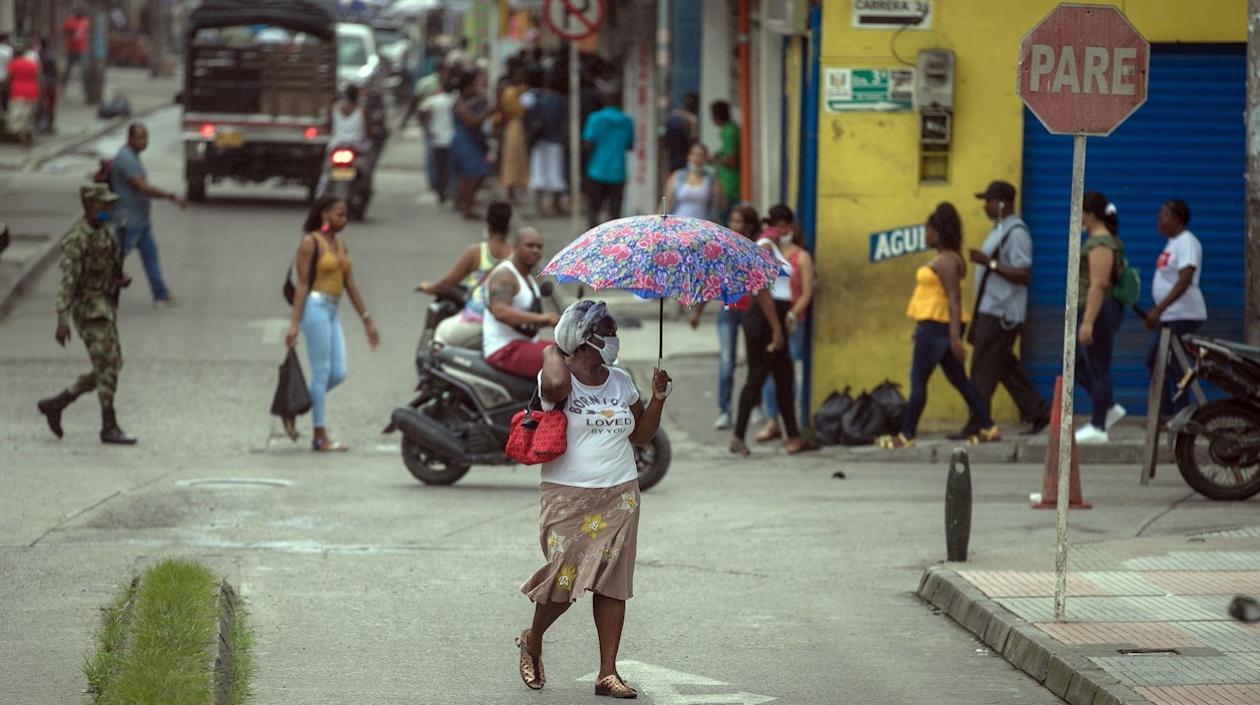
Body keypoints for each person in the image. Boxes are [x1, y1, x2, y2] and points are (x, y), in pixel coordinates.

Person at [517, 299, 671, 697]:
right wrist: (556, 346)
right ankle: (533, 638)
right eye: (607, 330)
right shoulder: (559, 377)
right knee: (564, 579)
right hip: (567, 496)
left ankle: (608, 672)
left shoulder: (620, 380)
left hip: (620, 492)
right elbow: (551, 386)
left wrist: (657, 398)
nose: (614, 337)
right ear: (586, 339)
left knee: (612, 583)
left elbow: (640, 436)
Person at [881, 203, 999, 449]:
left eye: (928, 231)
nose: (925, 236)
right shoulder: (946, 258)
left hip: (938, 329)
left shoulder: (946, 261)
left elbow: (953, 298)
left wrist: (955, 337)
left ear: (938, 232)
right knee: (960, 380)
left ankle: (907, 434)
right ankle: (988, 425)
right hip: (934, 327)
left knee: (918, 381)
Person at [37, 184, 136, 445]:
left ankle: (57, 403)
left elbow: (111, 266)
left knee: (112, 365)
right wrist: (62, 322)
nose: (108, 209)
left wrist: (120, 278)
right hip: (88, 311)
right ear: (90, 206)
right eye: (103, 205)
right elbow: (67, 284)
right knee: (107, 366)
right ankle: (108, 424)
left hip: (105, 306)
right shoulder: (76, 241)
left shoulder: (106, 235)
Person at [284, 196, 380, 452]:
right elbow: (302, 285)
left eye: (345, 215)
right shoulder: (310, 242)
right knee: (321, 371)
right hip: (315, 307)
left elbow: (350, 283)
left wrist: (366, 319)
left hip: (333, 309)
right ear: (325, 214)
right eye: (339, 214)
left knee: (338, 373)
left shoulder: (340, 243)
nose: (344, 220)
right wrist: (294, 324)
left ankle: (294, 408)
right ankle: (319, 435)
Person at [965, 181, 1050, 438]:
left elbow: (1023, 274)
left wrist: (987, 262)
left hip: (1002, 315)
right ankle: (1039, 412)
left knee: (982, 369)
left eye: (988, 201)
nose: (984, 206)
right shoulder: (1001, 230)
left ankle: (979, 423)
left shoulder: (1017, 233)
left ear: (1002, 203)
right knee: (1004, 368)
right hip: (990, 310)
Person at [730, 221, 802, 456]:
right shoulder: (767, 246)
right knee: (760, 376)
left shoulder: (774, 247)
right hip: (765, 318)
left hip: (770, 317)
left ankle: (792, 436)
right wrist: (777, 329)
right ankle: (740, 436)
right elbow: (761, 290)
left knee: (782, 376)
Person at [690, 203, 761, 429]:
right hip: (728, 310)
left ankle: (756, 405)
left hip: (751, 312)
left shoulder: (756, 248)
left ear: (749, 226)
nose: (733, 226)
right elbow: (712, 282)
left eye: (738, 221)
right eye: (732, 221)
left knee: (754, 361)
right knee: (727, 361)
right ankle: (725, 410)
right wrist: (698, 312)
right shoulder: (722, 250)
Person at [111, 123, 187, 307]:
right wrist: (170, 196)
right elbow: (141, 186)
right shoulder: (126, 158)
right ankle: (91, 293)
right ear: (130, 139)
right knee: (112, 260)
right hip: (127, 220)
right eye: (140, 137)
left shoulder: (133, 157)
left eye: (146, 138)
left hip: (141, 220)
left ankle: (160, 294)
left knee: (151, 257)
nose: (144, 142)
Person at [756, 205, 815, 443]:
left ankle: (793, 423)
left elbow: (807, 293)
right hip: (770, 320)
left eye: (783, 225)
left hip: (792, 322)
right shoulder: (768, 250)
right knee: (769, 374)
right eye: (775, 226)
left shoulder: (801, 257)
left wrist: (792, 315)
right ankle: (773, 421)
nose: (780, 230)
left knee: (788, 375)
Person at [419, 200, 514, 349]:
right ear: (508, 227)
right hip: (509, 320)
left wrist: (428, 287)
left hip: (478, 316)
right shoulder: (516, 256)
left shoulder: (477, 252)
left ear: (488, 226)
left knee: (440, 335)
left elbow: (447, 284)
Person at [1145, 199, 1206, 418]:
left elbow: (1185, 279)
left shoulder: (1186, 242)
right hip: (1171, 315)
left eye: (1163, 216)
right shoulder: (1172, 243)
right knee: (1161, 363)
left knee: (1172, 365)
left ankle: (1180, 415)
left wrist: (1159, 309)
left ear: (1177, 218)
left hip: (1184, 315)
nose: (1159, 221)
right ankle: (1170, 414)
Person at [1075, 191, 1127, 444]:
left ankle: (1098, 426)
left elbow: (1099, 284)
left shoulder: (1101, 243)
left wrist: (1087, 322)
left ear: (1090, 215)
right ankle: (1108, 407)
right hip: (1093, 309)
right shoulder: (1099, 240)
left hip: (1097, 311)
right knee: (1077, 365)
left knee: (1097, 367)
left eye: (1080, 213)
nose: (1078, 218)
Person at [484, 227, 560, 377]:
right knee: (566, 360)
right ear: (515, 247)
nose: (535, 250)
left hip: (526, 344)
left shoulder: (529, 279)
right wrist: (544, 318)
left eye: (539, 247)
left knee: (575, 352)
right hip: (505, 348)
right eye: (529, 245)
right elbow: (500, 311)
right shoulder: (505, 275)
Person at [582, 92, 635, 229]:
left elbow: (587, 143)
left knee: (594, 209)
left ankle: (592, 238)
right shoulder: (627, 121)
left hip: (597, 170)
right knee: (615, 213)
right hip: (618, 172)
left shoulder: (595, 119)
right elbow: (630, 146)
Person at [522, 69, 567, 217]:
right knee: (556, 172)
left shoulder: (537, 100)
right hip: (555, 141)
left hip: (539, 141)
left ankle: (539, 206)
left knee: (539, 173)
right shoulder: (559, 101)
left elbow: (529, 118)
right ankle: (556, 205)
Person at [450, 70, 492, 219]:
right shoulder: (460, 103)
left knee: (467, 176)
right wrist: (489, 111)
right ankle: (466, 205)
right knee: (476, 173)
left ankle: (465, 203)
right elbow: (472, 122)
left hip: (471, 141)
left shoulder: (472, 100)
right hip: (464, 142)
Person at [418, 72, 456, 204]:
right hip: (450, 138)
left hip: (437, 138)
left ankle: (441, 192)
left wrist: (427, 128)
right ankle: (449, 190)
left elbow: (421, 111)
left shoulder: (433, 100)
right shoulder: (452, 100)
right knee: (449, 167)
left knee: (439, 167)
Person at [497, 66, 530, 204]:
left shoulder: (522, 90)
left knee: (519, 159)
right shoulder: (510, 92)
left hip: (520, 127)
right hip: (513, 126)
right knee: (511, 158)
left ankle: (516, 187)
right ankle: (510, 188)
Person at [662, 142, 720, 221]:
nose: (697, 158)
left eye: (701, 155)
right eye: (694, 154)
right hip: (678, 222)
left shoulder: (711, 178)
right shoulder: (678, 175)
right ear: (689, 156)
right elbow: (666, 202)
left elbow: (721, 204)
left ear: (706, 158)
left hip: (703, 224)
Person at [710, 100, 740, 223]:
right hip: (728, 183)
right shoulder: (731, 129)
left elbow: (731, 160)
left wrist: (716, 159)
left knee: (725, 220)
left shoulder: (729, 132)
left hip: (730, 184)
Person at [6, 44, 39, 148]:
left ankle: (23, 141)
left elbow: (8, 78)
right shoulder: (32, 64)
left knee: (20, 119)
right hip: (32, 93)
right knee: (29, 117)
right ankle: (27, 139)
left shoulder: (13, 64)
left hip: (18, 93)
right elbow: (38, 79)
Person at [663, 92, 699, 174]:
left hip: (673, 155)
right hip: (685, 156)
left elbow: (664, 137)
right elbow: (694, 140)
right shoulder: (692, 119)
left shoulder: (674, 114)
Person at [35, 37, 58, 134]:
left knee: (40, 106)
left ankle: (39, 125)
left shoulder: (37, 56)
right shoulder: (51, 56)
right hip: (51, 84)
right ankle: (49, 126)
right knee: (51, 106)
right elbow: (56, 72)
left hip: (40, 84)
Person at [61, 7, 88, 88]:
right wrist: (71, 31)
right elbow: (63, 31)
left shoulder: (85, 21)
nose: (80, 12)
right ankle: (63, 85)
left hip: (81, 49)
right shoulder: (70, 20)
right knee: (68, 69)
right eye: (79, 11)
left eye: (81, 11)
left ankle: (85, 87)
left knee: (83, 70)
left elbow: (87, 32)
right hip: (71, 49)